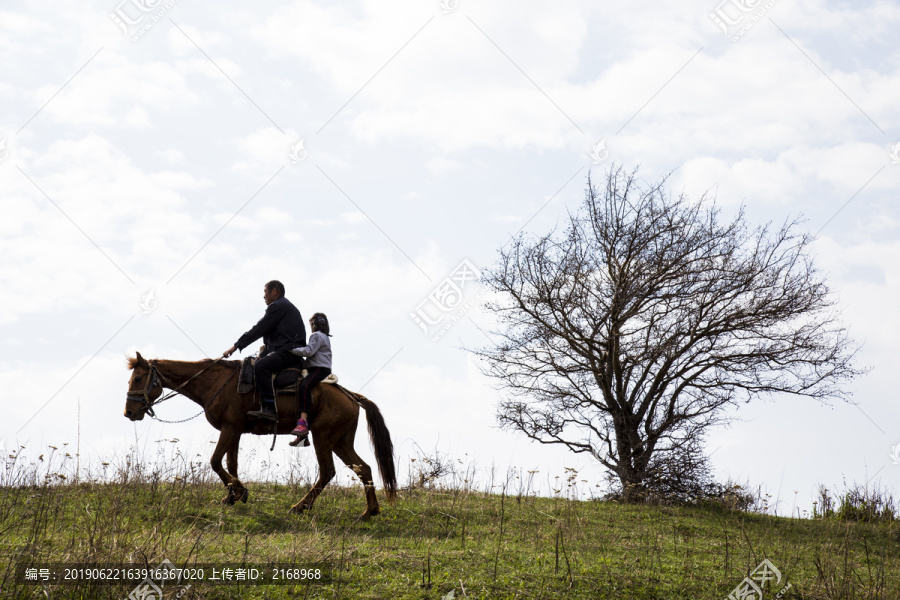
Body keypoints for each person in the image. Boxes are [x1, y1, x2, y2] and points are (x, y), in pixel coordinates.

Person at [222, 280, 307, 421]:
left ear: (274, 291)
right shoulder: (284, 307)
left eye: (265, 292)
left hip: (289, 352)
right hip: (286, 349)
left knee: (261, 366)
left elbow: (259, 329)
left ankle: (269, 408)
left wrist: (236, 346)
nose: (264, 296)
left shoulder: (278, 306)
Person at [288, 312, 333, 444]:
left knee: (304, 387)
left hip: (319, 368)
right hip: (320, 367)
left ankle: (302, 423)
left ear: (313, 324)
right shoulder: (325, 336)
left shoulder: (316, 336)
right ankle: (303, 437)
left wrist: (290, 349)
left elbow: (308, 351)